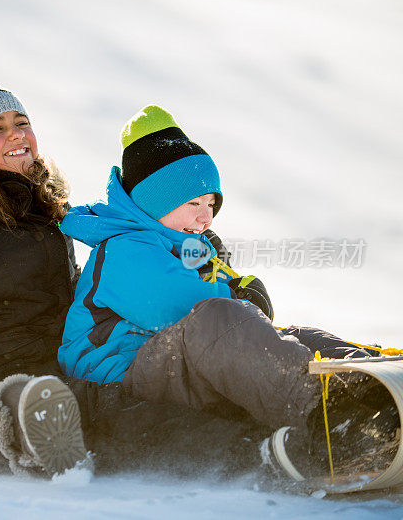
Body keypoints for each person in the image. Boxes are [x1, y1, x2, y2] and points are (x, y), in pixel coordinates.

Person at [0, 86, 297, 482]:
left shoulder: (41, 210)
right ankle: (261, 455)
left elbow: (74, 287)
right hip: (1, 370)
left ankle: (289, 424)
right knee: (117, 413)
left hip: (65, 360)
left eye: (22, 123)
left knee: (148, 393)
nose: (17, 134)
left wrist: (187, 255)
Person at [55, 104, 396, 480]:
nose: (207, 217)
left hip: (174, 361)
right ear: (154, 204)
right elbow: (185, 309)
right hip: (122, 376)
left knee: (294, 337)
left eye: (211, 204)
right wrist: (241, 298)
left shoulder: (183, 245)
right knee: (220, 321)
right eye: (194, 204)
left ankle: (374, 383)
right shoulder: (124, 249)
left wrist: (238, 295)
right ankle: (329, 417)